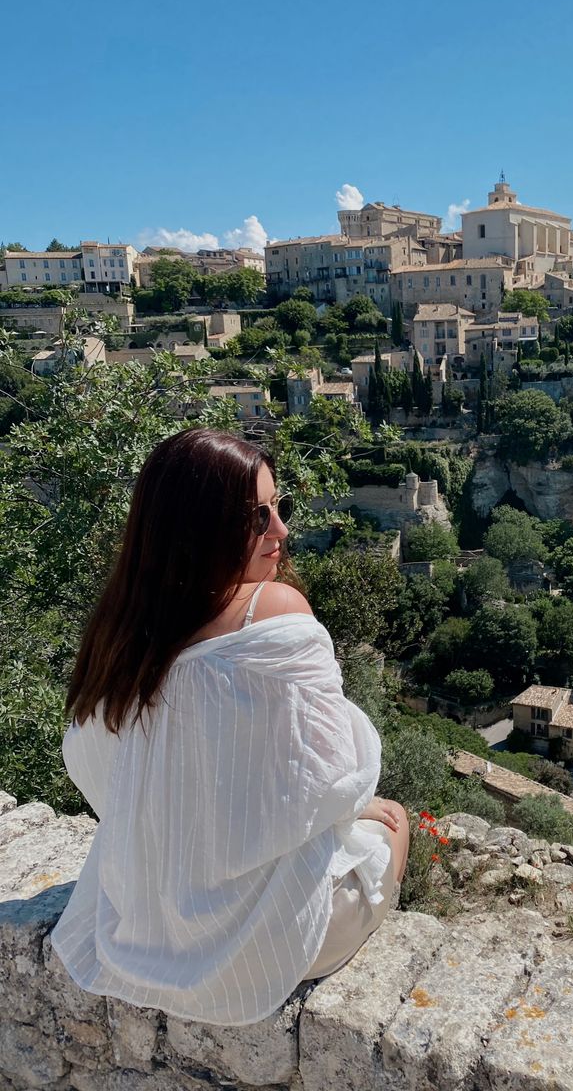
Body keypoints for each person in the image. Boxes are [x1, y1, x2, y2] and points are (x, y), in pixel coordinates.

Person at [51, 428, 409, 1026]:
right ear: (199, 529)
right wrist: (354, 812)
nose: (281, 531)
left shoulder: (121, 638)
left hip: (146, 929)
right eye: (256, 517)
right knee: (394, 821)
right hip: (275, 943)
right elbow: (338, 772)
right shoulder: (274, 611)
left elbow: (95, 771)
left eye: (280, 508)